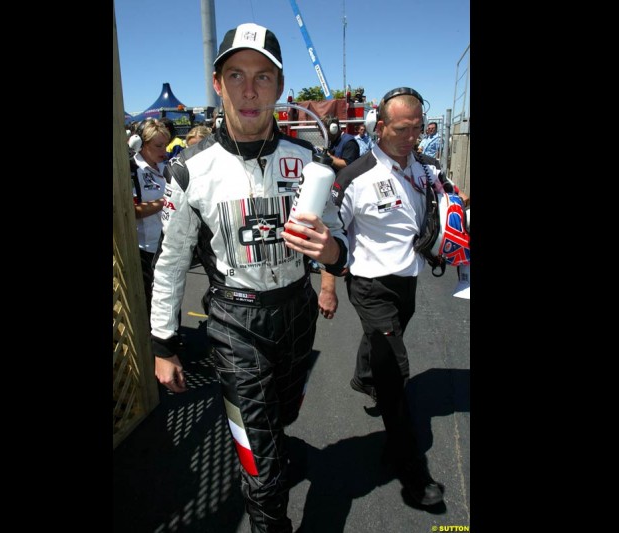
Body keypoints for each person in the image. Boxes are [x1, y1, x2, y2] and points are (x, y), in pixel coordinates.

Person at [149, 22, 348, 533]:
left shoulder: (309, 162)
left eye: (263, 77)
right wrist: (164, 344)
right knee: (258, 462)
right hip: (234, 321)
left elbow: (341, 237)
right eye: (236, 75)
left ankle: (276, 450)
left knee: (281, 419)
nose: (250, 90)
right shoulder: (190, 170)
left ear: (279, 87)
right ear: (217, 83)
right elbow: (171, 263)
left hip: (297, 312)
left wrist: (331, 255)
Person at [318, 87, 445, 507]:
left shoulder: (426, 169)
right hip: (370, 285)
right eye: (403, 129)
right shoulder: (355, 175)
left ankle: (363, 377)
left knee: (380, 345)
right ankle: (412, 474)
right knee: (396, 371)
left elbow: (442, 207)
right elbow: (330, 233)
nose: (412, 136)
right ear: (381, 126)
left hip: (408, 280)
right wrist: (329, 286)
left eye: (419, 128)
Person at [130, 118, 171, 313]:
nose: (164, 150)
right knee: (153, 303)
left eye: (166, 145)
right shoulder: (131, 170)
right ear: (141, 144)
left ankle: (174, 339)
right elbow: (132, 211)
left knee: (171, 297)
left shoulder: (166, 168)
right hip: (147, 250)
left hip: (170, 245)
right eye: (158, 145)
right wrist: (166, 202)